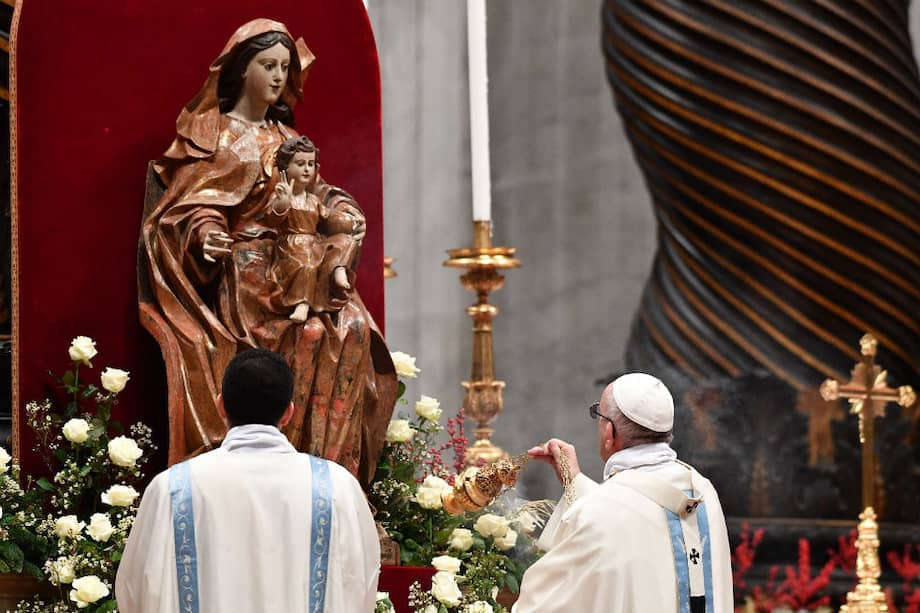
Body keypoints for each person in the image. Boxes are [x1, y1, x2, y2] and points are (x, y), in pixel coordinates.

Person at [139, 19, 397, 486]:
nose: (278, 76)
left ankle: (333, 478)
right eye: (268, 65)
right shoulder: (214, 135)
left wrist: (342, 211)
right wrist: (207, 235)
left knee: (353, 328)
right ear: (241, 69)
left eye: (284, 67)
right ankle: (278, 471)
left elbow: (317, 190)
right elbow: (192, 206)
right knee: (304, 335)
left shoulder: (284, 138)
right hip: (247, 271)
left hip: (298, 261)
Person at [115, 348, 380, 613]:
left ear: (220, 406)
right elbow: (359, 585)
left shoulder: (172, 488)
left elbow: (136, 588)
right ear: (289, 412)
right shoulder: (336, 487)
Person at [513, 373, 733, 613]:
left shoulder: (603, 509)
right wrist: (573, 480)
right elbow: (634, 518)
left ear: (610, 433)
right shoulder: (703, 490)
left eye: (598, 414)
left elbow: (544, 604)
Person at [265, 136, 361, 322]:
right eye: (300, 164)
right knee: (307, 266)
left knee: (346, 240)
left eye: (310, 164)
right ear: (285, 168)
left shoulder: (313, 200)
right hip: (292, 246)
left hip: (314, 244)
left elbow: (328, 217)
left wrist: (347, 220)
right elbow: (271, 219)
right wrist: (282, 203)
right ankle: (302, 303)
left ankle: (338, 269)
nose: (307, 169)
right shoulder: (282, 196)